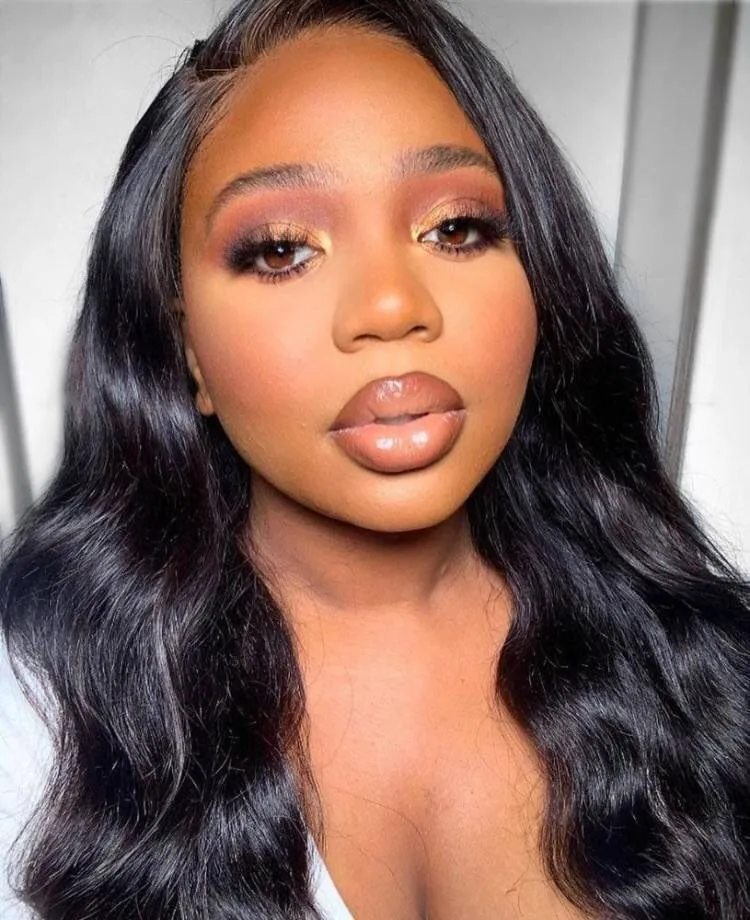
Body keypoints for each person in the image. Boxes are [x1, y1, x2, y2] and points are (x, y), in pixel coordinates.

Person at [1, 0, 748, 918]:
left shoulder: (710, 674)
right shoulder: (39, 722)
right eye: (283, 250)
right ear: (185, 350)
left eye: (456, 229)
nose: (392, 306)